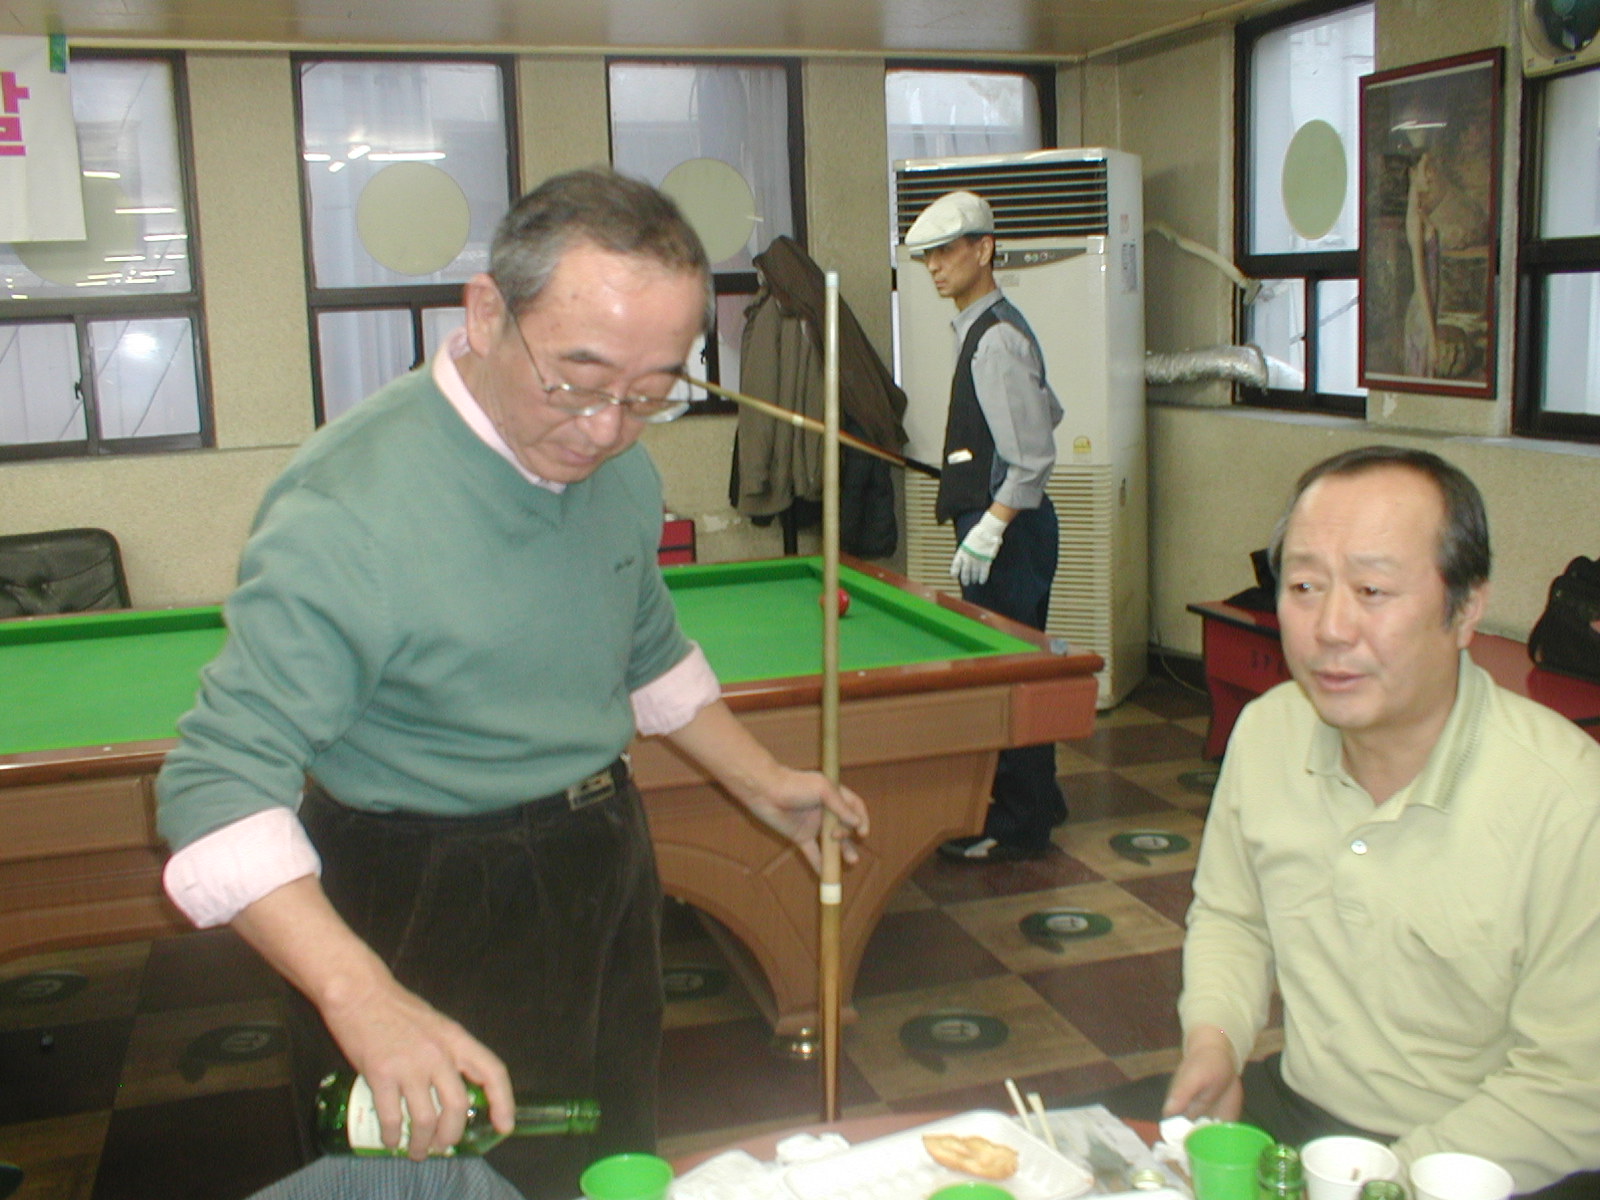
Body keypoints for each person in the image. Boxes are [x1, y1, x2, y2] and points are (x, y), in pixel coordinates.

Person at [155, 168, 869, 1200]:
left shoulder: (619, 467)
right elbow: (213, 785)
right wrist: (362, 997)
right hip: (422, 889)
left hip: (598, 856)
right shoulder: (348, 506)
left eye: (651, 392)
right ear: (487, 313)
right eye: (577, 380)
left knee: (609, 1155)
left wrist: (764, 782)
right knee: (436, 1183)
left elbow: (642, 645)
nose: (605, 428)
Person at [1165, 446, 1600, 1197]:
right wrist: (1215, 1040)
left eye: (1372, 590)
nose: (1331, 627)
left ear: (1465, 609)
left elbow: (1571, 1085)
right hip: (1302, 1115)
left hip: (1499, 1162)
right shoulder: (1269, 732)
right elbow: (1235, 917)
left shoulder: (1567, 800)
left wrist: (1382, 1181)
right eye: (1304, 586)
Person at [903, 189, 1067, 863]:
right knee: (1014, 666)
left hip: (1009, 530)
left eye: (946, 251)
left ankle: (1019, 822)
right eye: (927, 256)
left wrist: (992, 525)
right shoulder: (988, 326)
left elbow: (1034, 455)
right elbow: (1048, 411)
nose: (935, 267)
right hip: (1004, 523)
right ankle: (1037, 799)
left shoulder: (994, 338)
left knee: (1008, 675)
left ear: (984, 248)